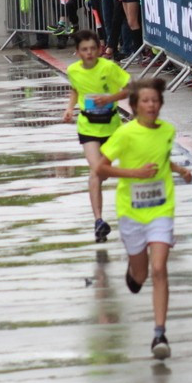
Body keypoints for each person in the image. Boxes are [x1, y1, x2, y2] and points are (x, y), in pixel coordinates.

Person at [96, 78, 192, 359]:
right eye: (145, 101)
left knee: (160, 267)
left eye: (155, 101)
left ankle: (159, 334)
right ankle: (133, 270)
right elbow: (100, 169)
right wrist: (134, 174)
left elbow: (161, 157)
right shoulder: (125, 135)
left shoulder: (168, 130)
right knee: (141, 275)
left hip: (162, 209)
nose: (151, 105)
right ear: (135, 106)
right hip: (132, 211)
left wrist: (179, 170)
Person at [63, 30, 131, 243]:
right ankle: (99, 221)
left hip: (111, 127)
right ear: (78, 52)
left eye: (93, 48)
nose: (89, 53)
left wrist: (110, 98)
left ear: (99, 49)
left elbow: (129, 89)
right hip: (88, 127)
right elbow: (75, 89)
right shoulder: (73, 70)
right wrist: (69, 108)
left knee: (103, 172)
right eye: (84, 50)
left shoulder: (109, 67)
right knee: (96, 171)